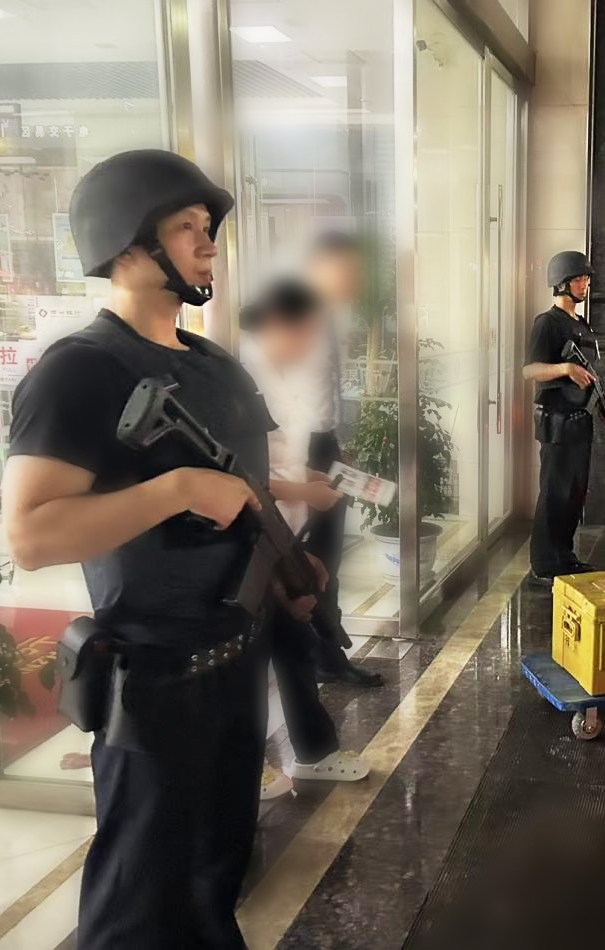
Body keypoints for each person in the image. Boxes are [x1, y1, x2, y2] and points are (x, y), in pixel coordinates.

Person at [2, 150, 323, 948]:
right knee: (140, 907)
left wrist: (285, 565)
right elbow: (30, 535)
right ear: (124, 243)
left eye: (208, 226)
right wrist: (173, 490)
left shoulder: (214, 365)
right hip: (155, 687)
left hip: (235, 669)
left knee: (215, 882)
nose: (208, 242)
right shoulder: (78, 371)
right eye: (186, 227)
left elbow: (248, 493)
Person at [239, 278, 372, 800]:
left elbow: (282, 461)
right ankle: (246, 766)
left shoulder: (283, 377)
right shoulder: (242, 383)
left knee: (293, 646)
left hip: (284, 532)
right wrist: (305, 490)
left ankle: (313, 753)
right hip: (254, 540)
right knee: (253, 662)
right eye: (305, 333)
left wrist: (315, 479)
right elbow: (240, 477)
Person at [295, 231, 385, 689]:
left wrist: (337, 446)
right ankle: (319, 653)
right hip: (299, 450)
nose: (355, 279)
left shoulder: (325, 317)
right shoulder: (292, 318)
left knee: (329, 553)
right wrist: (299, 469)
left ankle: (328, 651)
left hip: (323, 444)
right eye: (347, 269)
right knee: (310, 558)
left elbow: (325, 393)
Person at [523, 250, 598, 585]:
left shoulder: (580, 324)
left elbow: (589, 373)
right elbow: (529, 370)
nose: (584, 285)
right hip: (556, 422)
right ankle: (544, 564)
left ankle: (564, 558)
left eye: (586, 279)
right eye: (578, 279)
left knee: (574, 495)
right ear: (561, 283)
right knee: (554, 494)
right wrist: (565, 368)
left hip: (580, 420)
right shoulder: (547, 323)